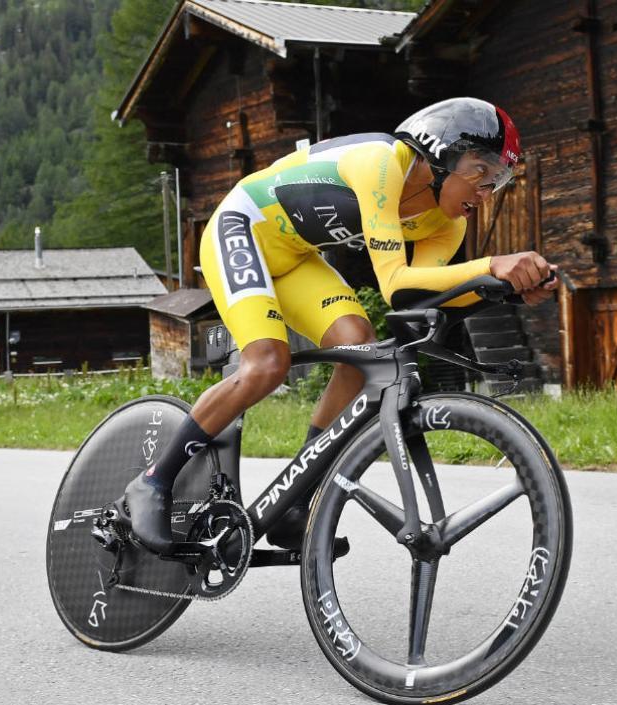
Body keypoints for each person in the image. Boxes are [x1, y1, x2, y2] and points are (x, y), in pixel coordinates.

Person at [120, 97, 558, 553]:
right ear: (440, 152)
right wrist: (492, 265)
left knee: (357, 350)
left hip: (294, 258)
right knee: (267, 363)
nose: (486, 191)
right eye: (480, 171)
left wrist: (502, 288)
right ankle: (153, 481)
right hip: (243, 227)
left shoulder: (446, 225)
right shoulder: (381, 163)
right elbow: (395, 282)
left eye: (497, 180)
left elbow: (419, 298)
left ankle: (296, 499)